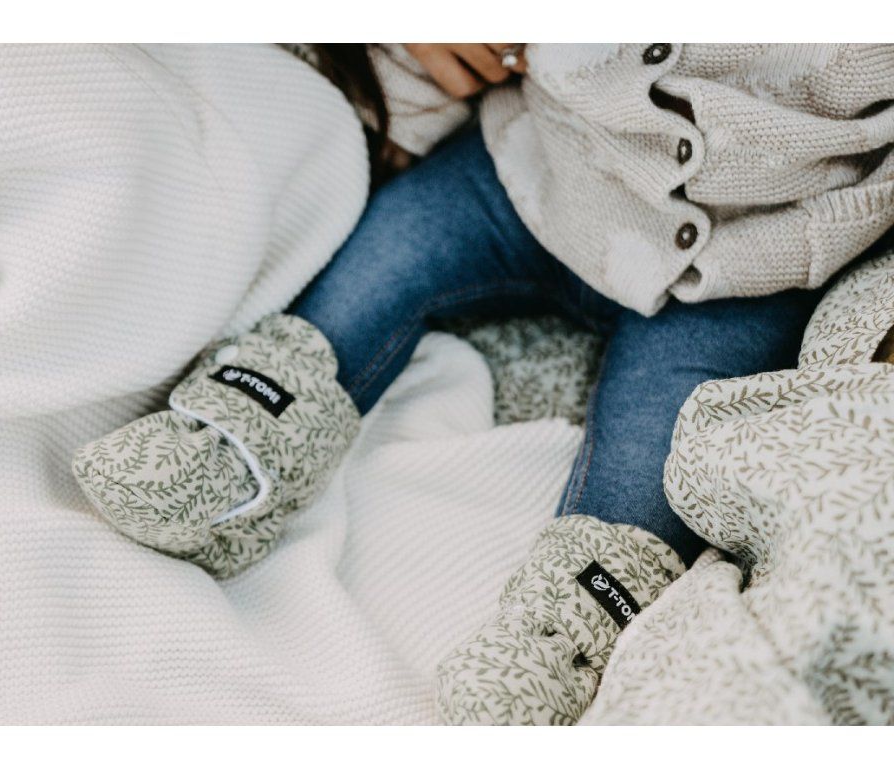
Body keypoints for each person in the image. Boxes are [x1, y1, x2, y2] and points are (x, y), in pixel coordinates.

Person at [73, 43, 894, 725]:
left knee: (665, 447)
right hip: (537, 171)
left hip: (744, 269)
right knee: (392, 255)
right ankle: (240, 433)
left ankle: (560, 636)